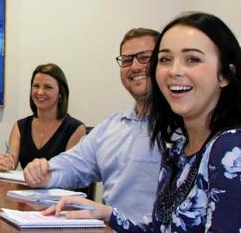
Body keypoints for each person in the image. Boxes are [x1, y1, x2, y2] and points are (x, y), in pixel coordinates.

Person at [47, 12, 241, 231]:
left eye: (192, 59)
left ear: (225, 75)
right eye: (165, 60)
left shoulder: (230, 148)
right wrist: (107, 214)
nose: (175, 71)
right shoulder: (177, 150)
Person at [23, 28, 162, 223]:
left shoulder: (184, 129)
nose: (135, 67)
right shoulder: (112, 126)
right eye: (127, 60)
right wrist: (44, 173)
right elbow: (73, 164)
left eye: (145, 58)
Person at [0, 63, 86, 171]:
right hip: (23, 188)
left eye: (48, 87)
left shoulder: (75, 129)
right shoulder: (20, 127)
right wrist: (5, 166)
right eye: (36, 86)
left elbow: (71, 175)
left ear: (60, 94)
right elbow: (11, 164)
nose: (40, 92)